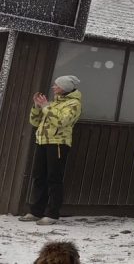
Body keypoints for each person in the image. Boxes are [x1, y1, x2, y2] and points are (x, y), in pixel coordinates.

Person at [21, 75, 82, 226]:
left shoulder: (74, 103)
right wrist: (37, 106)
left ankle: (52, 213)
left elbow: (62, 121)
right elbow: (34, 121)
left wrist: (46, 107)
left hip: (58, 144)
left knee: (54, 178)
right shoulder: (54, 102)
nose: (53, 87)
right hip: (42, 142)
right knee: (39, 176)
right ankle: (36, 211)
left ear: (65, 87)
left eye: (56, 85)